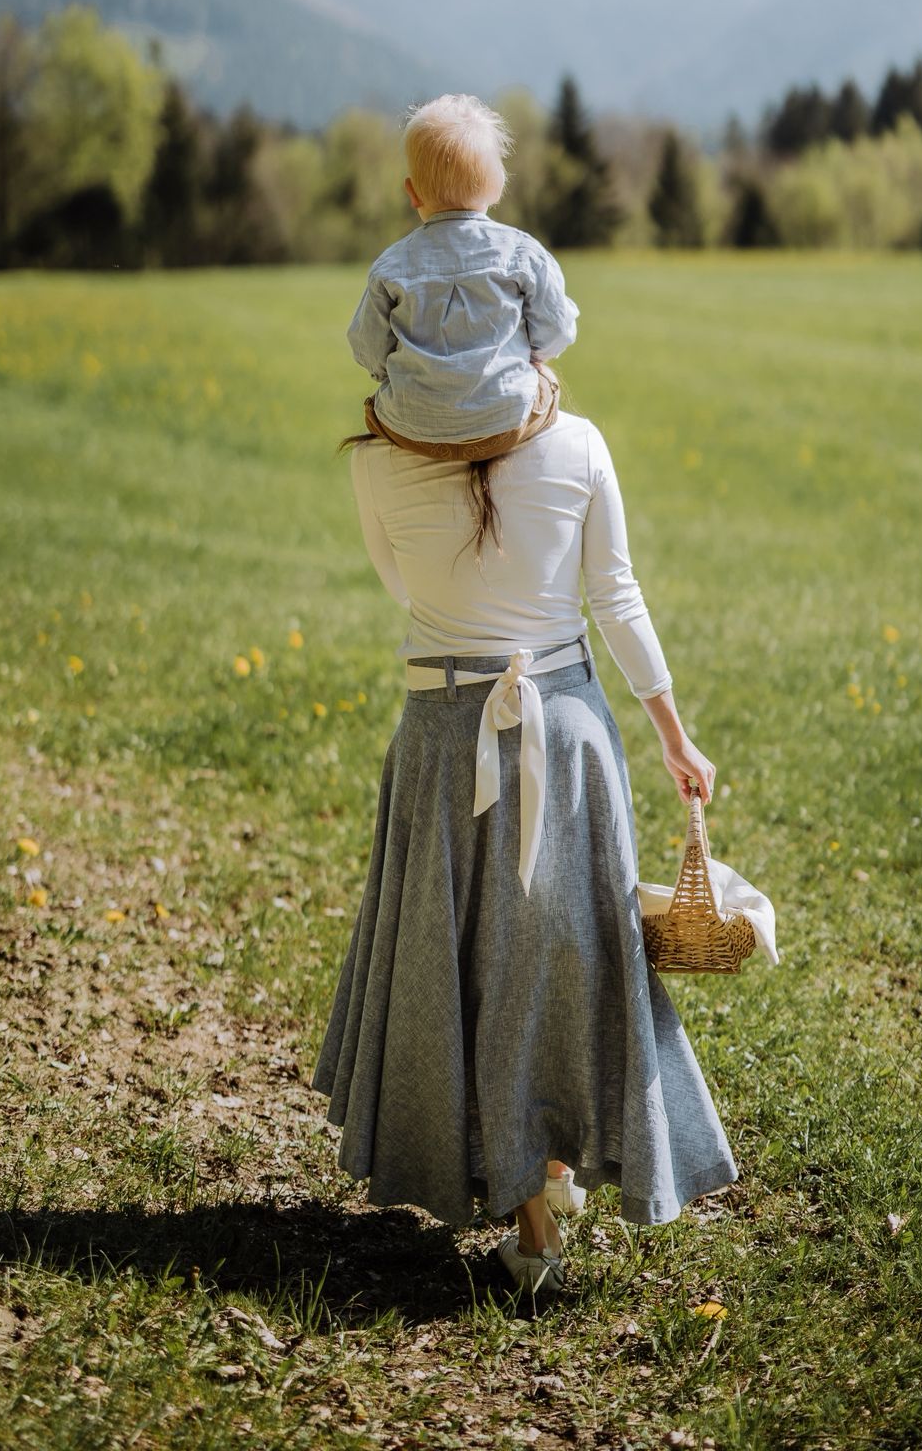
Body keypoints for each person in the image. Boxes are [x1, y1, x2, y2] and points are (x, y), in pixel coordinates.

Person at [312, 408, 738, 1295]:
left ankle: (536, 1197)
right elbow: (614, 593)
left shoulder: (375, 463)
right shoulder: (579, 442)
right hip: (569, 726)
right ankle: (539, 1198)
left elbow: (406, 590)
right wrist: (672, 734)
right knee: (564, 953)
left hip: (442, 731)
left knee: (464, 965)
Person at [347, 94, 579, 461]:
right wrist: (531, 356)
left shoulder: (390, 265)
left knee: (376, 405)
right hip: (505, 424)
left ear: (412, 191)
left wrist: (394, 376)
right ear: (498, 183)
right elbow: (557, 330)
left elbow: (366, 346)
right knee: (546, 380)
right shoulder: (523, 252)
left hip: (410, 429)